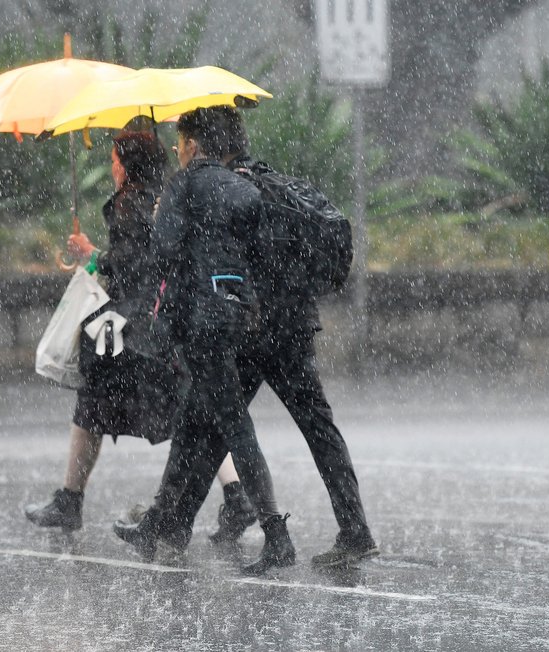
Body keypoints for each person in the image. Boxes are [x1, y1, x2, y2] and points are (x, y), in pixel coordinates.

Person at [151, 106, 380, 568]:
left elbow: (200, 257)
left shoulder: (223, 188)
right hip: (293, 327)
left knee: (216, 424)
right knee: (317, 428)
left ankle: (177, 527)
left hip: (252, 331)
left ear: (203, 144)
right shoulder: (271, 182)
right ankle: (354, 529)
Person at [112, 107, 295, 577]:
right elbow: (260, 253)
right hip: (238, 314)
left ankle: (277, 535)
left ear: (193, 145)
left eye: (180, 142)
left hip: (201, 322)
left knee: (235, 428)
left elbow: (165, 253)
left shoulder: (182, 185)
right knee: (192, 423)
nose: (176, 150)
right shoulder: (242, 188)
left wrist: (160, 220)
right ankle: (161, 525)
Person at [23, 129, 169, 531]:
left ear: (128, 165)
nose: (112, 166)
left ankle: (70, 501)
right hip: (160, 320)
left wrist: (93, 255)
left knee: (91, 404)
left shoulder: (129, 203)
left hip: (125, 324)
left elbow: (129, 263)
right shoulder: (166, 199)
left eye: (114, 159)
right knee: (188, 410)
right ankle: (236, 496)